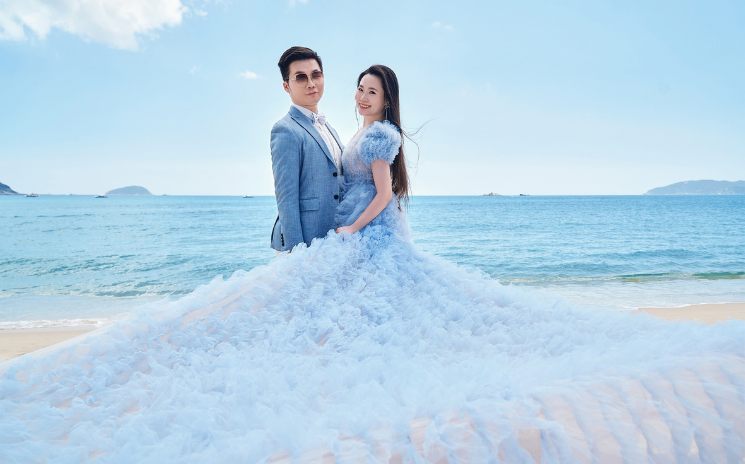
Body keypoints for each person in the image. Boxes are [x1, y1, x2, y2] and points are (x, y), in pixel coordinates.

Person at [1, 65, 744, 463]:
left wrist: (350, 232)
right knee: (365, 320)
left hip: (366, 237)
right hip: (346, 239)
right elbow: (317, 185)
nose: (359, 96)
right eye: (355, 87)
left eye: (369, 89)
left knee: (387, 320)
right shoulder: (326, 127)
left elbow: (383, 195)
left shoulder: (379, 136)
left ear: (386, 99)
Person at [270, 46, 344, 252]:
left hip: (330, 238)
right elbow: (286, 197)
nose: (311, 84)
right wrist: (297, 252)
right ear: (287, 86)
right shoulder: (285, 130)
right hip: (304, 243)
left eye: (316, 75)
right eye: (301, 78)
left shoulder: (330, 129)